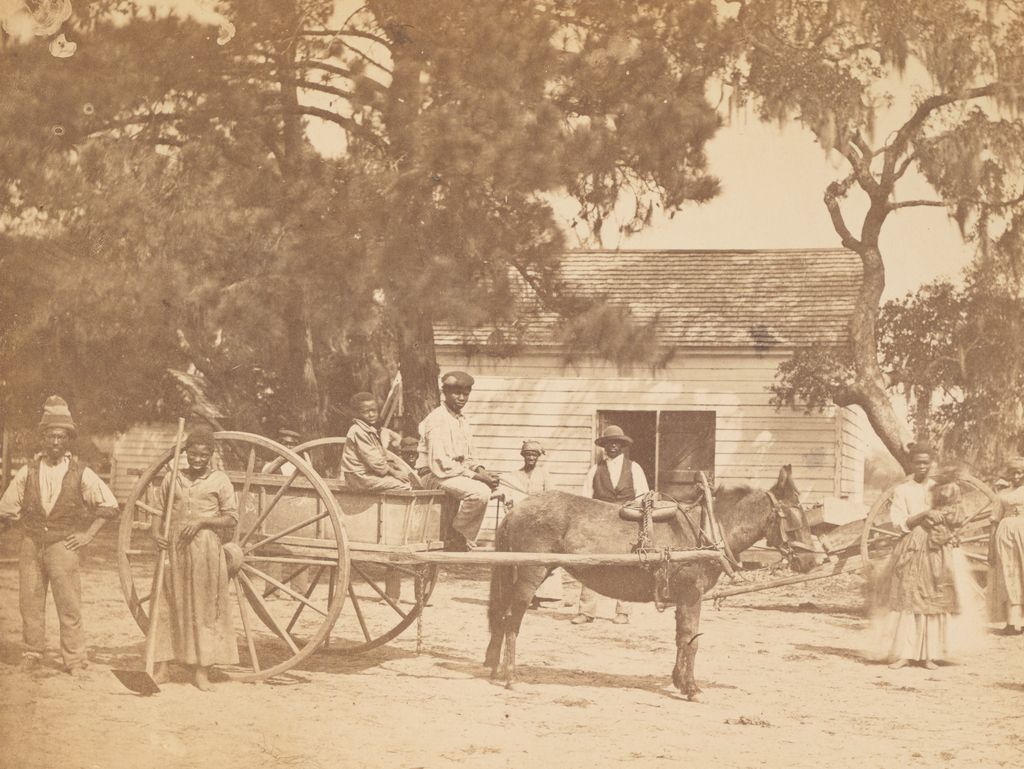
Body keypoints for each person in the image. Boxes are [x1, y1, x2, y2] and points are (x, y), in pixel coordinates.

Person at [0, 396, 119, 675]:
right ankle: (32, 652)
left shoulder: (81, 473)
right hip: (31, 544)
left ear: (68, 440)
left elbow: (110, 506)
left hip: (63, 545)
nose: (55, 442)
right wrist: (17, 525)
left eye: (61, 437)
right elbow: (6, 509)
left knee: (68, 604)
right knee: (29, 601)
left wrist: (87, 535)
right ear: (42, 438)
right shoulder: (27, 472)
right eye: (50, 436)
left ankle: (75, 659)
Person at [151, 426, 239, 691]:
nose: (198, 459)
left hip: (205, 549)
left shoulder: (219, 480)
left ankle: (202, 671)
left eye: (203, 455)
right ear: (186, 452)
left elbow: (231, 517)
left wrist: (202, 521)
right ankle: (163, 667)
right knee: (169, 604)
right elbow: (158, 508)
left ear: (211, 455)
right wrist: (156, 532)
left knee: (202, 608)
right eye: (193, 453)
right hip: (175, 548)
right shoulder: (173, 478)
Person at [881, 473, 971, 670]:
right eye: (917, 462)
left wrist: (948, 528)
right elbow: (899, 522)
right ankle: (905, 653)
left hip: (937, 549)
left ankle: (929, 654)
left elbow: (957, 516)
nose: (921, 466)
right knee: (910, 595)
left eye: (925, 462)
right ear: (912, 464)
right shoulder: (903, 490)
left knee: (931, 597)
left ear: (930, 463)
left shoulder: (942, 486)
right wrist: (924, 516)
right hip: (914, 543)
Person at [572, 425, 649, 625]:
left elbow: (643, 497)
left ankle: (623, 611)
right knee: (591, 564)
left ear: (622, 446)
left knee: (626, 566)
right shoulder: (595, 470)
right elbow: (584, 499)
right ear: (604, 446)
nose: (613, 446)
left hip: (627, 523)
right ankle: (586, 611)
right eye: (609, 443)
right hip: (600, 523)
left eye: (617, 443)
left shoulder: (634, 467)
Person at [416, 371, 499, 551]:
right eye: (456, 393)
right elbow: (440, 464)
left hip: (451, 474)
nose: (462, 398)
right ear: (444, 393)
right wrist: (477, 478)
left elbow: (469, 456)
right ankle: (455, 535)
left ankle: (459, 535)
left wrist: (482, 471)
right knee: (479, 493)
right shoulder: (438, 419)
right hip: (433, 475)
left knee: (495, 487)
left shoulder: (461, 420)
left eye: (466, 393)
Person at [340, 393, 414, 491]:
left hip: (368, 474)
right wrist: (393, 472)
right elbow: (373, 459)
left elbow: (381, 454)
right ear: (357, 413)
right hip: (359, 477)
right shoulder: (358, 430)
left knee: (406, 478)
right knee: (403, 484)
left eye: (374, 410)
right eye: (365, 412)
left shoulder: (369, 429)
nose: (371, 414)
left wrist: (394, 466)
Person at [989, 456, 1024, 634]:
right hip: (1005, 537)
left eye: (1019, 472)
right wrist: (990, 548)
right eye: (1013, 473)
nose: (1016, 476)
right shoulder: (1002, 494)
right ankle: (1011, 623)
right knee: (1009, 575)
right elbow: (994, 521)